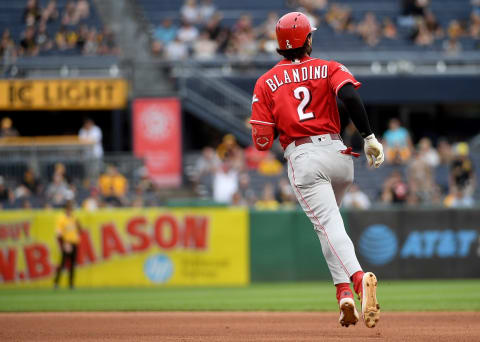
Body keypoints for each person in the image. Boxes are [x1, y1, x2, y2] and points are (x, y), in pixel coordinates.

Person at [249, 12, 383, 328]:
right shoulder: (329, 66)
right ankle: (343, 295)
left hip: (305, 158)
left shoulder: (266, 82)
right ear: (308, 39)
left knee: (328, 226)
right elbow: (349, 95)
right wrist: (369, 137)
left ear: (279, 45)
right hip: (339, 155)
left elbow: (262, 140)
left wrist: (278, 122)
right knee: (328, 227)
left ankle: (358, 278)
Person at [53, 200, 81, 289]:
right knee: (62, 264)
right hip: (66, 243)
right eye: (69, 208)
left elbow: (80, 229)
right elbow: (58, 233)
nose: (70, 210)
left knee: (72, 265)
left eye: (71, 208)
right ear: (66, 209)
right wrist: (64, 244)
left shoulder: (74, 218)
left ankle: (71, 284)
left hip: (74, 242)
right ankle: (56, 283)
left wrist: (78, 224)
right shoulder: (61, 219)